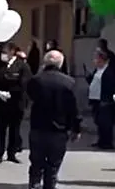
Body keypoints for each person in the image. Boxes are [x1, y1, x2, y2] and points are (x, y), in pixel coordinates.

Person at [26, 50, 80, 189]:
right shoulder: (69, 82)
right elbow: (73, 108)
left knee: (36, 163)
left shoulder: (35, 80)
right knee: (53, 166)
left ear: (44, 62)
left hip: (38, 127)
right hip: (59, 130)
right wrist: (76, 128)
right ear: (61, 63)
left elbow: (30, 96)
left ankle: (34, 184)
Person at [0, 43, 31, 164]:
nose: (3, 54)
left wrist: (11, 93)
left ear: (12, 52)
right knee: (1, 129)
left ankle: (12, 153)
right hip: (2, 102)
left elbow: (24, 84)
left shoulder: (22, 66)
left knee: (15, 129)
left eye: (5, 51)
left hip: (16, 103)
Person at [86, 48, 115, 150]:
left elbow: (110, 87)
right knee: (99, 121)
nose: (95, 61)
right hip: (96, 99)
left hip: (105, 100)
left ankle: (107, 142)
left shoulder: (109, 71)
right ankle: (101, 140)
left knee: (106, 122)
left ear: (102, 59)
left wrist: (107, 99)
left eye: (96, 58)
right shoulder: (98, 70)